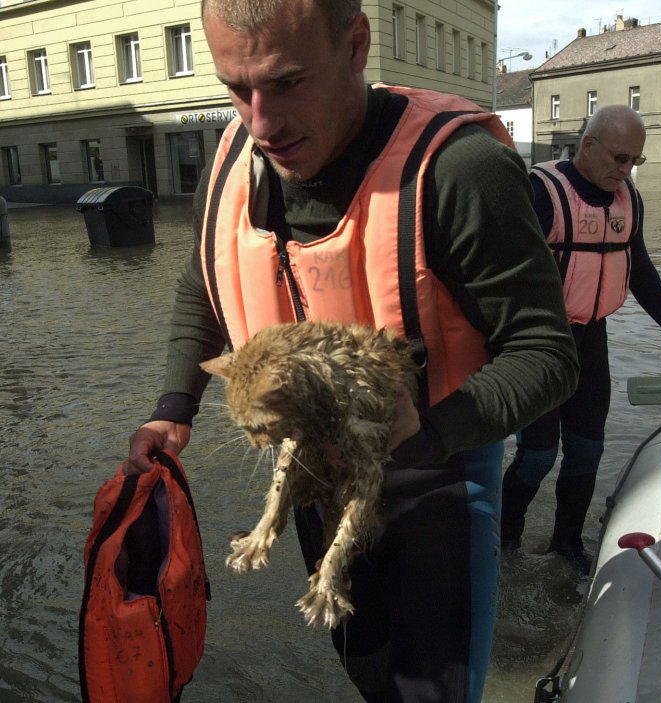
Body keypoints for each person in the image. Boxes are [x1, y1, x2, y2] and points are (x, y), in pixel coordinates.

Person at [126, 1, 579, 701]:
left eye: (286, 82)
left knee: (434, 689)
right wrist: (174, 405)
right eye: (235, 89)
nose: (260, 122)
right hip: (313, 469)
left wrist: (429, 431)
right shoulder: (231, 161)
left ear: (357, 45)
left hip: (438, 469)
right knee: (365, 666)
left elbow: (548, 352)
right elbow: (202, 280)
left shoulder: (462, 170)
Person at [500, 104, 661, 568]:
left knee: (588, 450)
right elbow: (499, 275)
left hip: (592, 339)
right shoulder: (540, 191)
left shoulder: (628, 199)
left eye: (634, 161)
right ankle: (505, 544)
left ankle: (567, 545)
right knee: (537, 456)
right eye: (618, 158)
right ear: (587, 145)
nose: (625, 169)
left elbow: (640, 270)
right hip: (540, 344)